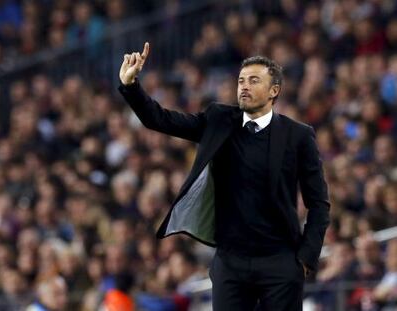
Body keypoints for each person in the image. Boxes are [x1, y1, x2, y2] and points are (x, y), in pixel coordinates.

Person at [118, 42, 330, 311]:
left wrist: (306, 257)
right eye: (241, 80)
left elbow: (319, 202)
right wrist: (131, 87)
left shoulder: (298, 135)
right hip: (231, 262)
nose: (244, 86)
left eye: (254, 81)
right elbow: (160, 120)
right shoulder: (219, 119)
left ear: (274, 90)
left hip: (280, 260)